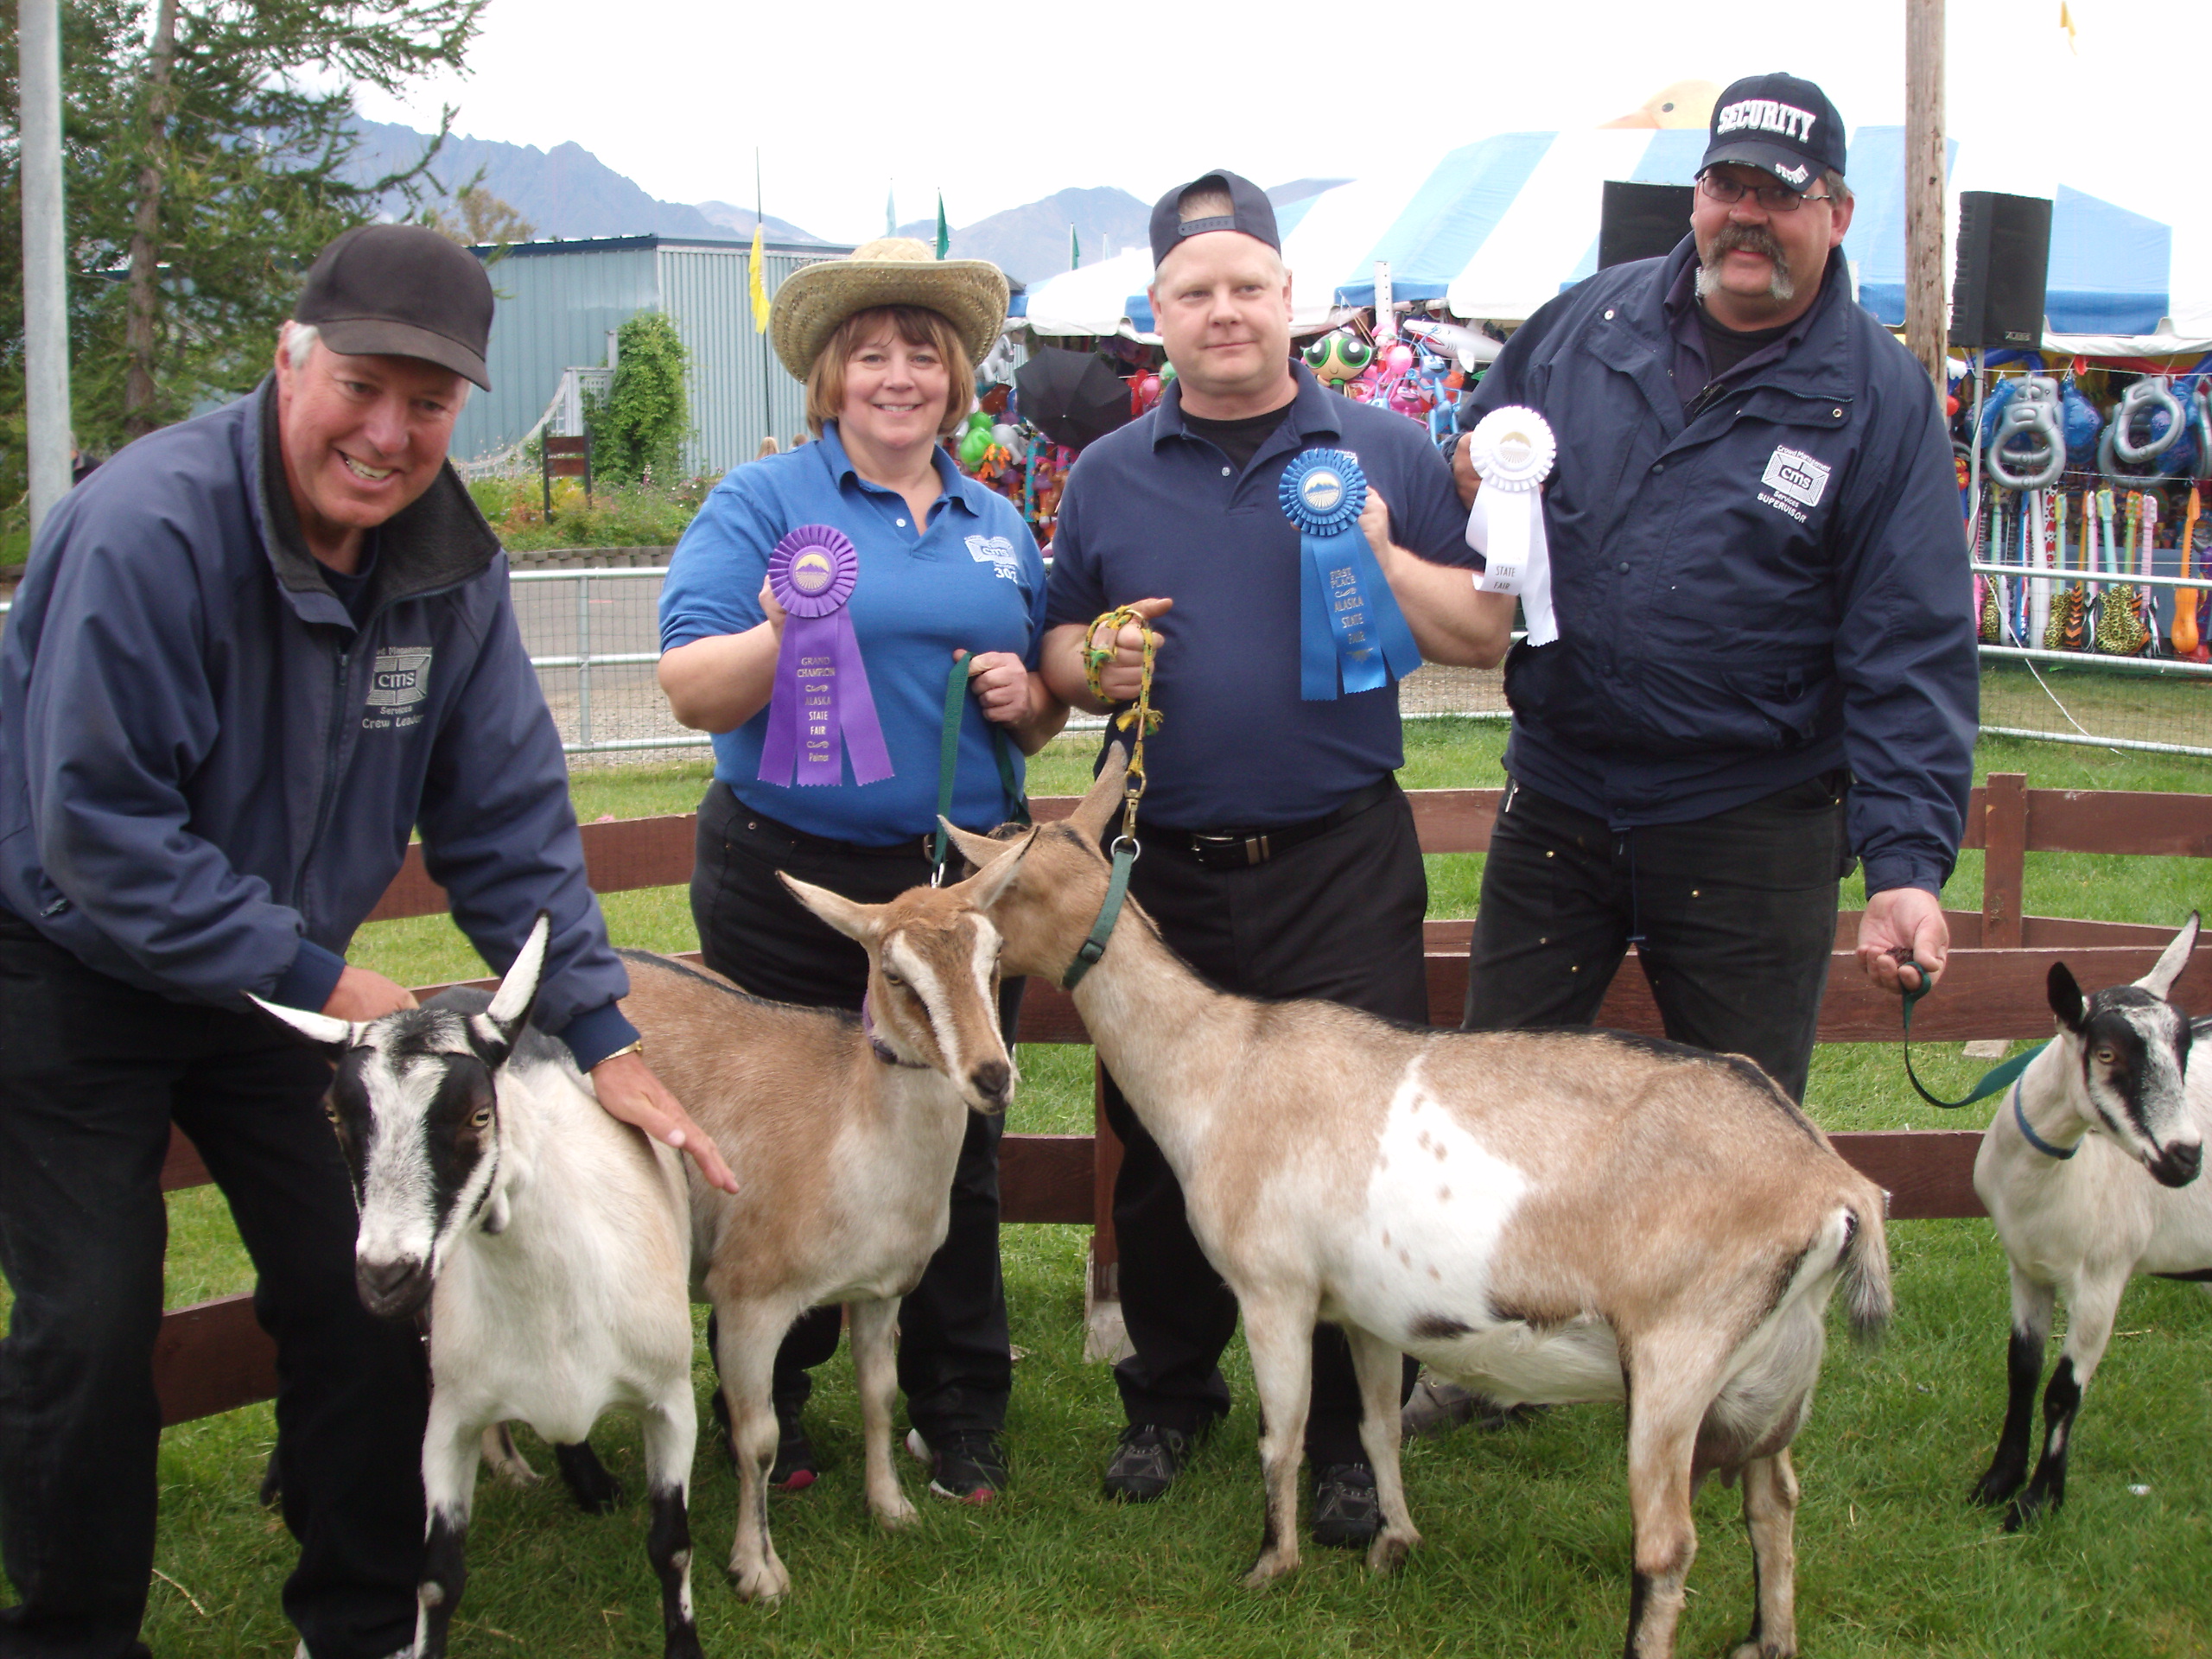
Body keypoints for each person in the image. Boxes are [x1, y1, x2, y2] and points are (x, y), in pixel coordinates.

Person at [0, 223, 734, 1659]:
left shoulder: (448, 569)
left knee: (374, 1286)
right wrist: (328, 979)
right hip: (73, 964)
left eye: (431, 402)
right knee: (89, 1323)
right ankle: (70, 1637)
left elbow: (511, 821)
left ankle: (359, 1620)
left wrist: (602, 1028)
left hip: (273, 995)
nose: (390, 435)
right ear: (290, 359)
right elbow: (95, 826)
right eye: (360, 386)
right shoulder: (149, 533)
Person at [1039, 169, 1512, 1545]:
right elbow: (1064, 653)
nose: (1226, 310)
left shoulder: (1386, 451)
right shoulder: (1111, 474)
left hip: (1340, 856)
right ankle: (1170, 1393)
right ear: (1160, 314)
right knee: (1163, 1141)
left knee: (1367, 1147)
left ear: (1292, 300)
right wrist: (1095, 660)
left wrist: (1374, 545)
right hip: (1164, 870)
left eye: (1250, 285)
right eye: (1196, 292)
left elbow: (1480, 636)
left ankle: (1363, 1433)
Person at [1452, 74, 1976, 1098]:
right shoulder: (1583, 324)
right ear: (1694, 195)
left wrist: (1905, 866)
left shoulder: (1881, 398)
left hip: (1751, 820)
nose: (1746, 216)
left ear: (1835, 211)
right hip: (1560, 798)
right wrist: (1463, 470)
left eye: (1778, 194)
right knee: (1489, 1110)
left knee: (1740, 1137)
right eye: (1725, 185)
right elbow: (1473, 462)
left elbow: (1908, 644)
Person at [657, 238, 1063, 1505]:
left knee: (958, 1129)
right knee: (779, 1132)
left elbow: (1035, 712)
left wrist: (1030, 694)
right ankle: (772, 1404)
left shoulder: (999, 523)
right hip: (794, 879)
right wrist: (786, 629)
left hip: (949, 893)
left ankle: (961, 1408)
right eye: (874, 356)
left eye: (925, 357)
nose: (901, 378)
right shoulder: (765, 504)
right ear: (833, 377)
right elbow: (686, 687)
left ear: (956, 380)